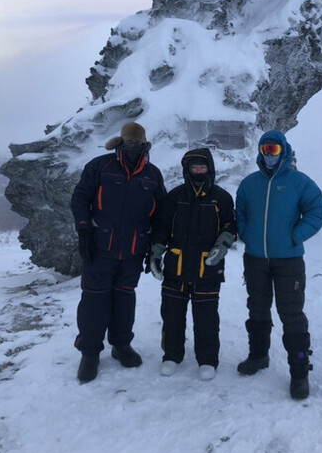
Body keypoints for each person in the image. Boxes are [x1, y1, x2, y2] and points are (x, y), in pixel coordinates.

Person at [70, 122, 165, 383]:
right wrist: (84, 230)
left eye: (139, 143)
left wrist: (155, 246)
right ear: (121, 143)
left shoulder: (153, 175)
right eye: (130, 143)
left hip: (134, 250)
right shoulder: (100, 166)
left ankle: (121, 345)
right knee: (94, 300)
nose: (134, 147)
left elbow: (161, 213)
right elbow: (80, 198)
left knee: (124, 299)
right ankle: (90, 352)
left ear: (145, 145)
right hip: (99, 248)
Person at [234, 130, 322, 399]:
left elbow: (317, 210)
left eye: (274, 150)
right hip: (255, 259)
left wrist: (297, 235)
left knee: (291, 315)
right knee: (257, 309)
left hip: (289, 261)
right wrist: (246, 233)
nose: (270, 155)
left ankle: (299, 372)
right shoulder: (249, 184)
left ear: (283, 151)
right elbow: (241, 212)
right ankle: (258, 356)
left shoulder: (299, 182)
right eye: (265, 150)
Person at [148, 148, 237, 381]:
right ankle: (171, 355)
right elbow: (161, 228)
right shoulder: (175, 197)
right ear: (187, 170)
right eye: (194, 167)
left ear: (209, 169)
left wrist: (222, 245)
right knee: (172, 314)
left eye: (202, 167)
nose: (198, 171)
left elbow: (230, 226)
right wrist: (156, 253)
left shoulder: (221, 197)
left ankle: (207, 360)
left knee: (207, 318)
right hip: (176, 265)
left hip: (208, 266)